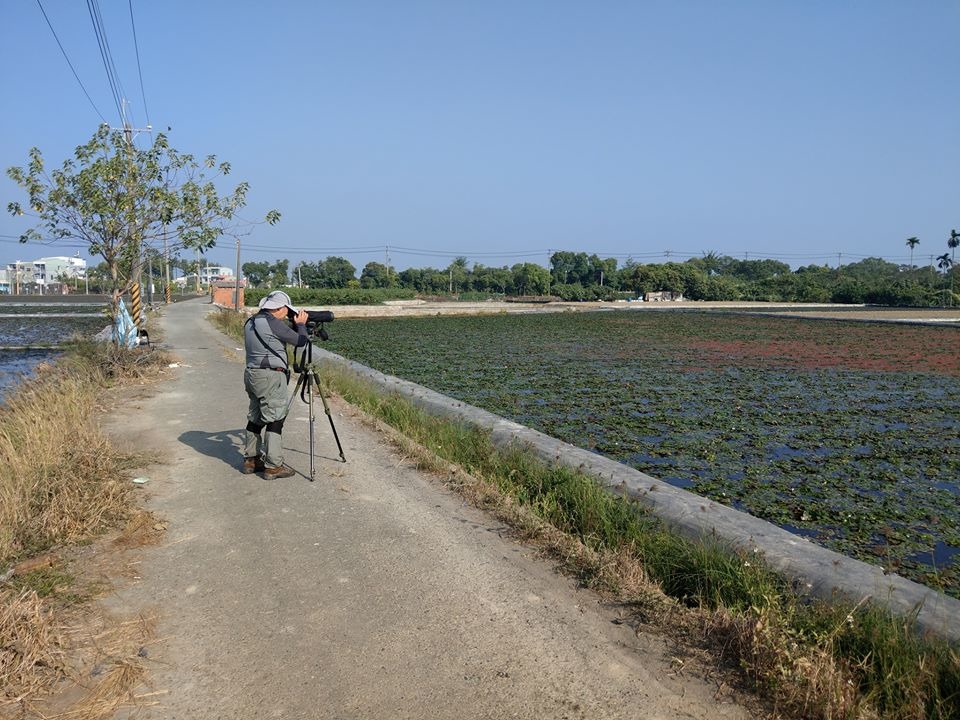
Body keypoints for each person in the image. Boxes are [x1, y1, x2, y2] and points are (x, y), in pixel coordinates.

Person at [242, 290, 309, 479]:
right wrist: (301, 325)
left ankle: (251, 459)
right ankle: (273, 466)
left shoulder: (251, 322)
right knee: (275, 418)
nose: (287, 315)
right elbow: (301, 341)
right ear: (278, 308)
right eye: (287, 311)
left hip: (252, 374)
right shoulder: (272, 323)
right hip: (270, 377)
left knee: (256, 417)